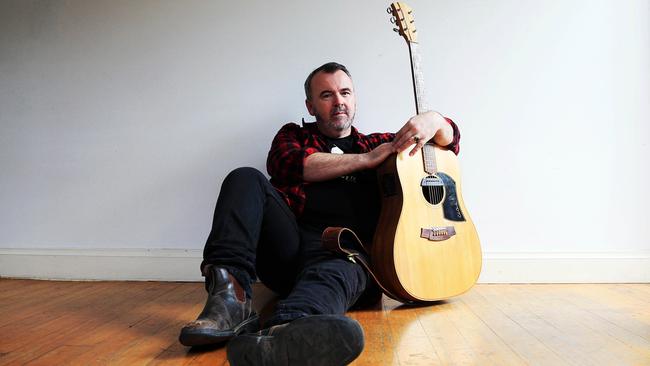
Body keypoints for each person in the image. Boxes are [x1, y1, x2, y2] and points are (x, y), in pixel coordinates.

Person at [178, 62, 460, 366]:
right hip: (287, 252)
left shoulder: (383, 144)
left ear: (354, 100)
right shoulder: (294, 136)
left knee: (338, 271)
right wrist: (365, 160)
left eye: (345, 92)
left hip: (345, 256)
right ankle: (230, 303)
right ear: (311, 106)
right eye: (326, 95)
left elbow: (449, 142)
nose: (338, 101)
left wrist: (433, 120)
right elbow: (287, 164)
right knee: (244, 177)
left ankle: (281, 334)